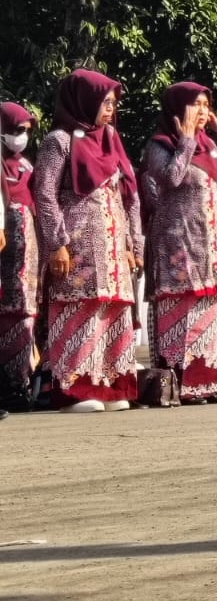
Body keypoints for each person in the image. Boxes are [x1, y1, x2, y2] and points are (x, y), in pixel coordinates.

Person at [34, 70, 144, 412]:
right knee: (79, 312)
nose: (110, 109)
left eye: (113, 103)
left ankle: (109, 387)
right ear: (83, 101)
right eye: (104, 102)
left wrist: (132, 245)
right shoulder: (59, 141)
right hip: (77, 246)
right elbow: (45, 194)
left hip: (112, 247)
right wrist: (57, 244)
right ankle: (73, 391)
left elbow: (129, 195)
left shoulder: (110, 138)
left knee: (111, 312)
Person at [140, 83, 217, 404]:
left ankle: (209, 383)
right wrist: (186, 139)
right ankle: (181, 385)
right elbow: (172, 177)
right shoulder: (160, 145)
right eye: (195, 105)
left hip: (213, 243)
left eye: (205, 105)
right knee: (183, 309)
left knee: (212, 312)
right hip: (179, 243)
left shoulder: (211, 145)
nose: (202, 111)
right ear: (177, 109)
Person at [1, 102, 41, 412]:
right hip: (4, 260)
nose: (21, 137)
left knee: (26, 315)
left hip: (27, 258)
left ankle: (24, 385)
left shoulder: (26, 166)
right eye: (16, 130)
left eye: (26, 132)